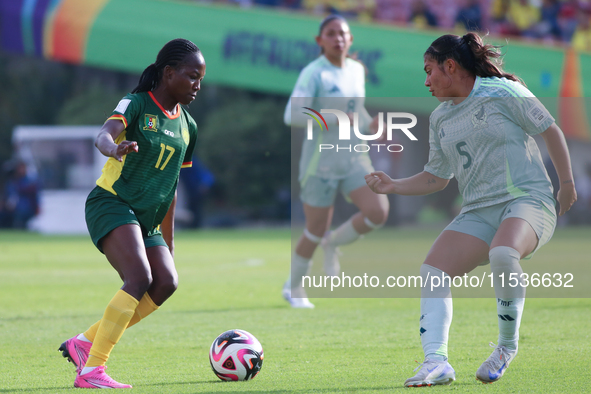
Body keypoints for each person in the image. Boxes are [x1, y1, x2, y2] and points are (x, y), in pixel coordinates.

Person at [365, 32, 576, 386]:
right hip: (478, 211)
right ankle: (436, 362)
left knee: (503, 252)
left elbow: (550, 130)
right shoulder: (439, 118)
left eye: (430, 70)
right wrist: (393, 186)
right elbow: (436, 178)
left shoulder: (503, 92)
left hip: (527, 201)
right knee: (432, 270)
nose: (426, 80)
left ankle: (506, 348)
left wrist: (566, 184)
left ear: (451, 66)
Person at [58, 38, 204, 389]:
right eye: (191, 76)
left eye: (200, 78)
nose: (197, 85)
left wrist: (168, 243)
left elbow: (172, 186)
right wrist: (115, 148)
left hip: (148, 219)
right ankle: (92, 371)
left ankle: (85, 342)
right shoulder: (137, 103)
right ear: (169, 74)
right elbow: (103, 135)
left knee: (166, 281)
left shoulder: (189, 126)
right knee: (138, 277)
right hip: (112, 202)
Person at [283, 14, 389, 308]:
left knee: (378, 211)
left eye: (343, 33)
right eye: (331, 33)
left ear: (351, 39)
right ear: (320, 41)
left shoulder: (356, 69)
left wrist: (371, 126)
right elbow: (291, 115)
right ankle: (293, 288)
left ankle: (334, 243)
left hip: (355, 157)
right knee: (315, 229)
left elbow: (357, 109)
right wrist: (332, 118)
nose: (338, 38)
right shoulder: (313, 73)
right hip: (321, 164)